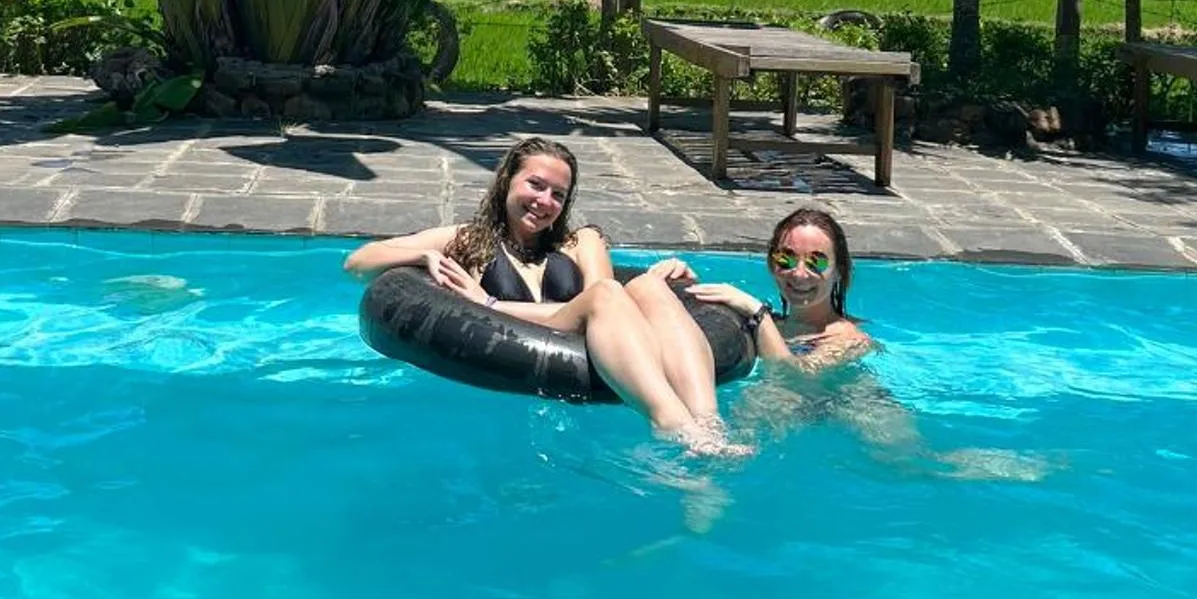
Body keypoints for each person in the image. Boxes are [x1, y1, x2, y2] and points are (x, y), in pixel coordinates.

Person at [344, 137, 743, 452]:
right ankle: (669, 421)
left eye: (558, 194)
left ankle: (707, 425)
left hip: (582, 338)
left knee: (643, 285)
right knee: (607, 293)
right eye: (535, 185)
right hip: (509, 368)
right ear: (507, 182)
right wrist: (425, 253)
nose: (544, 201)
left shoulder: (581, 241)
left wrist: (487, 304)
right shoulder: (467, 241)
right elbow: (358, 263)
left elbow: (600, 301)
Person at [681, 206, 1046, 476]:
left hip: (855, 399)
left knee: (911, 465)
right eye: (786, 257)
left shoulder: (846, 336)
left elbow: (797, 375)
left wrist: (754, 311)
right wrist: (677, 277)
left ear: (838, 271)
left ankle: (1004, 467)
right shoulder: (772, 323)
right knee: (728, 448)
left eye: (817, 262)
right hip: (788, 399)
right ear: (771, 262)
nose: (799, 273)